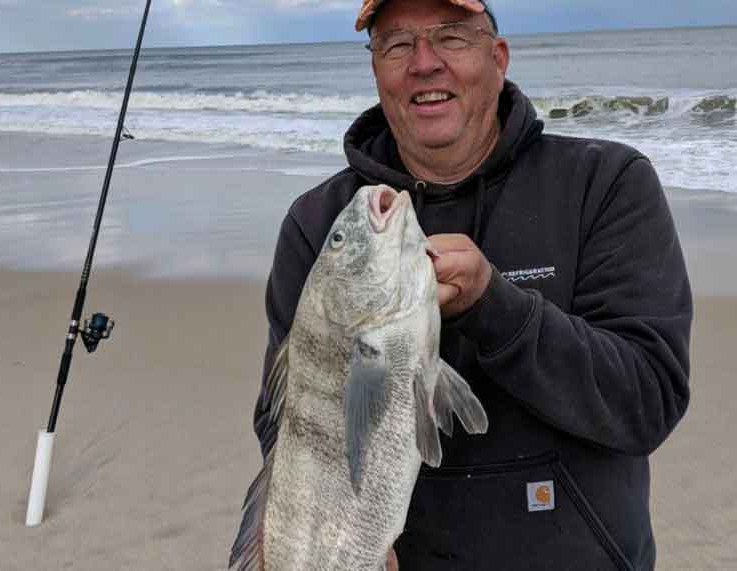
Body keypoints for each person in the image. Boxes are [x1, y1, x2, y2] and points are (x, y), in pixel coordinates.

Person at [252, 0, 692, 568]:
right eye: (397, 44)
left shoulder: (604, 184)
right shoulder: (322, 223)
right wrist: (345, 531)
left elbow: (647, 403)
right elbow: (288, 425)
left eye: (452, 38)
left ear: (498, 56)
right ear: (377, 70)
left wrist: (497, 308)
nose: (424, 63)